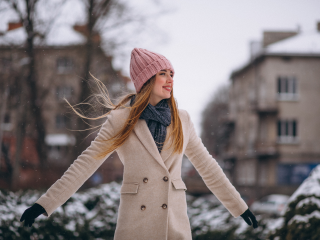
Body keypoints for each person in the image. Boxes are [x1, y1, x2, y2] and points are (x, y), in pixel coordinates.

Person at [20, 48, 258, 239]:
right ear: (146, 80)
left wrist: (239, 206)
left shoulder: (182, 119)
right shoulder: (120, 120)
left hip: (173, 226)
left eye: (171, 74)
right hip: (136, 226)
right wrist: (45, 204)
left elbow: (208, 167)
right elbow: (86, 163)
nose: (169, 80)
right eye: (162, 74)